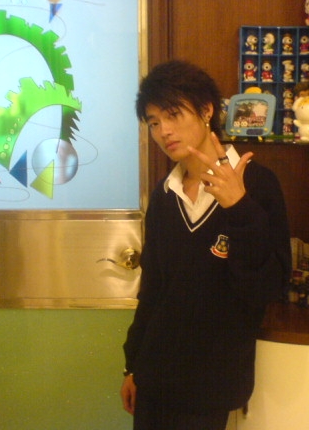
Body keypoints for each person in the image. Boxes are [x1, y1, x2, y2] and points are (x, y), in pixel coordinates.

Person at [120, 60, 291, 430]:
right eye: (153, 122)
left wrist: (239, 208)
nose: (163, 131)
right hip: (155, 379)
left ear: (207, 110)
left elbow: (266, 288)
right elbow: (153, 291)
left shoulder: (257, 185)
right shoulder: (165, 195)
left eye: (173, 114)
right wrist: (133, 366)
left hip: (211, 385)